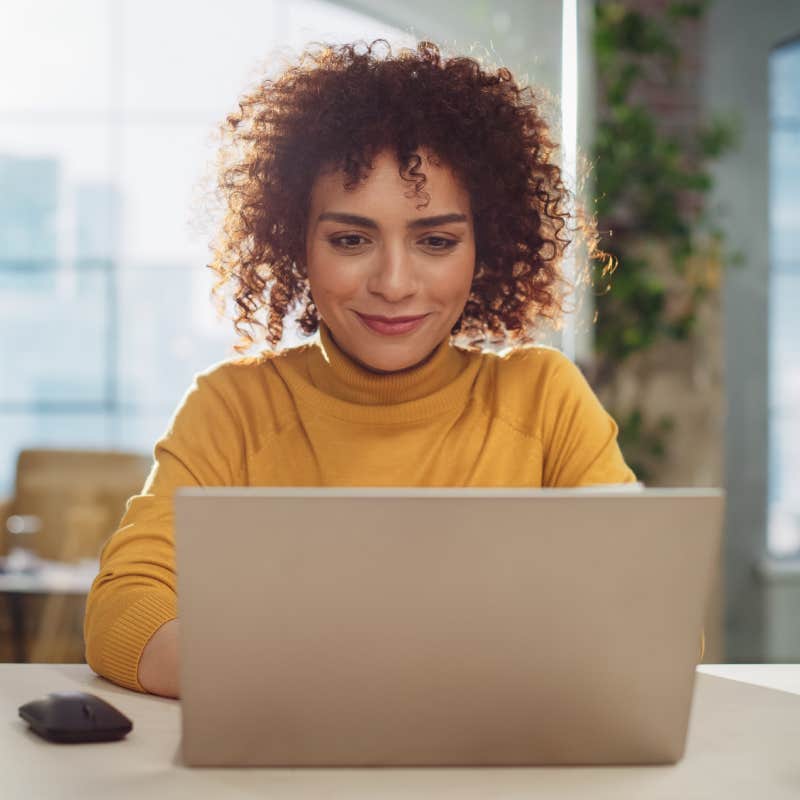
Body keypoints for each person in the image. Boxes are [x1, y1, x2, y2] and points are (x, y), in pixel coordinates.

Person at [84, 39, 638, 699]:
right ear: (296, 244)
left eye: (436, 241)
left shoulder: (543, 398)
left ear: (485, 248)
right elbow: (125, 610)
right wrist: (329, 682)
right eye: (351, 240)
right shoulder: (233, 407)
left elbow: (646, 622)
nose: (395, 283)